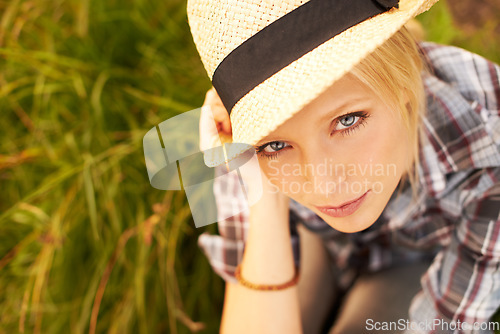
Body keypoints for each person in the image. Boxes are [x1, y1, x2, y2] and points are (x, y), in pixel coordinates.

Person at [188, 0, 500, 333]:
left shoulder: (490, 140)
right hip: (320, 243)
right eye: (276, 144)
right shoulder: (241, 141)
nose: (324, 186)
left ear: (404, 80)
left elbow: (446, 324)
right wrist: (265, 200)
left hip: (418, 256)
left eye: (347, 120)